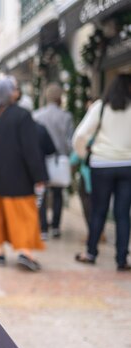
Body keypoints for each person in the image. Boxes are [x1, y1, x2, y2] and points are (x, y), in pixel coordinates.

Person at [0, 76, 47, 272]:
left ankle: (0, 252)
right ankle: (25, 252)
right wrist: (39, 176)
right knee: (24, 214)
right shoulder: (23, 115)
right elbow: (30, 149)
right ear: (10, 93)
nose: (18, 92)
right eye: (16, 88)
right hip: (19, 177)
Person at [73, 74, 131, 271]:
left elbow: (80, 135)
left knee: (98, 210)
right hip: (127, 166)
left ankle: (91, 253)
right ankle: (122, 259)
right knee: (123, 213)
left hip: (102, 164)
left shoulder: (101, 107)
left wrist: (83, 155)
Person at [33, 83, 75, 240]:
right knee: (58, 194)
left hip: (42, 159)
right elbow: (70, 141)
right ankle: (56, 226)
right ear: (59, 98)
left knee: (41, 194)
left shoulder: (37, 115)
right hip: (60, 159)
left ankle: (42, 228)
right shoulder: (66, 116)